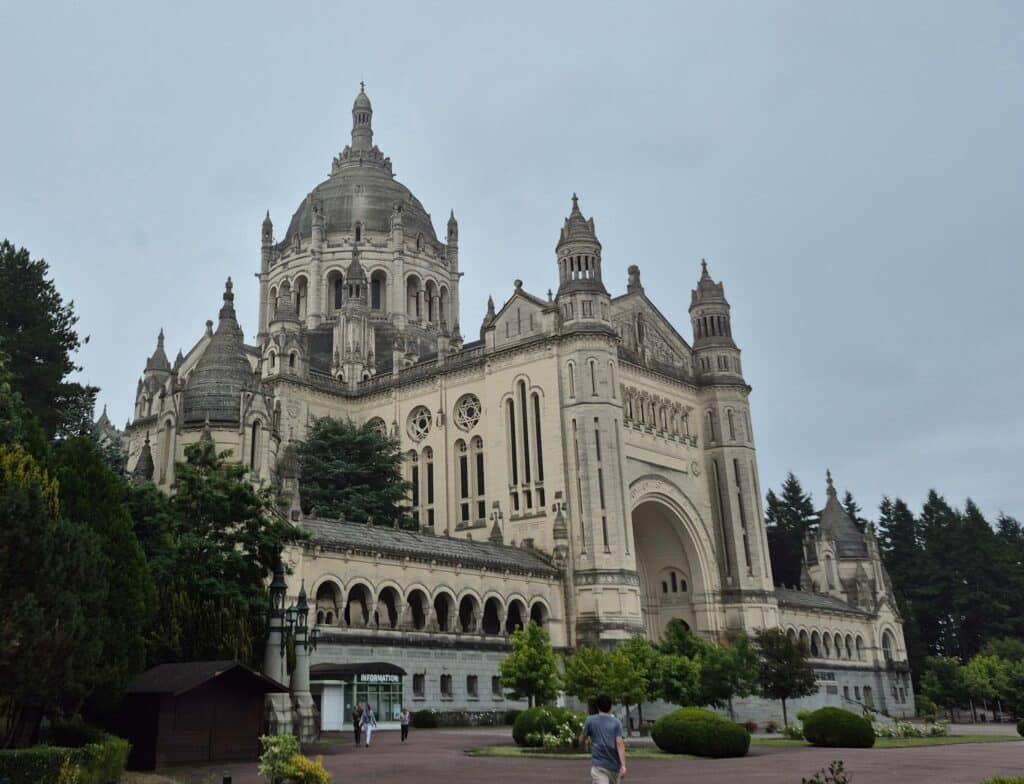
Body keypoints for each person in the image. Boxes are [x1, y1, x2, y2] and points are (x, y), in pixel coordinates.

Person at [579, 694, 627, 784]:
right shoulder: (617, 723)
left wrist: (582, 744)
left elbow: (582, 738)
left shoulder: (590, 720)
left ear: (597, 706)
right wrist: (623, 765)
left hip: (601, 765)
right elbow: (620, 743)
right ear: (611, 706)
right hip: (612, 766)